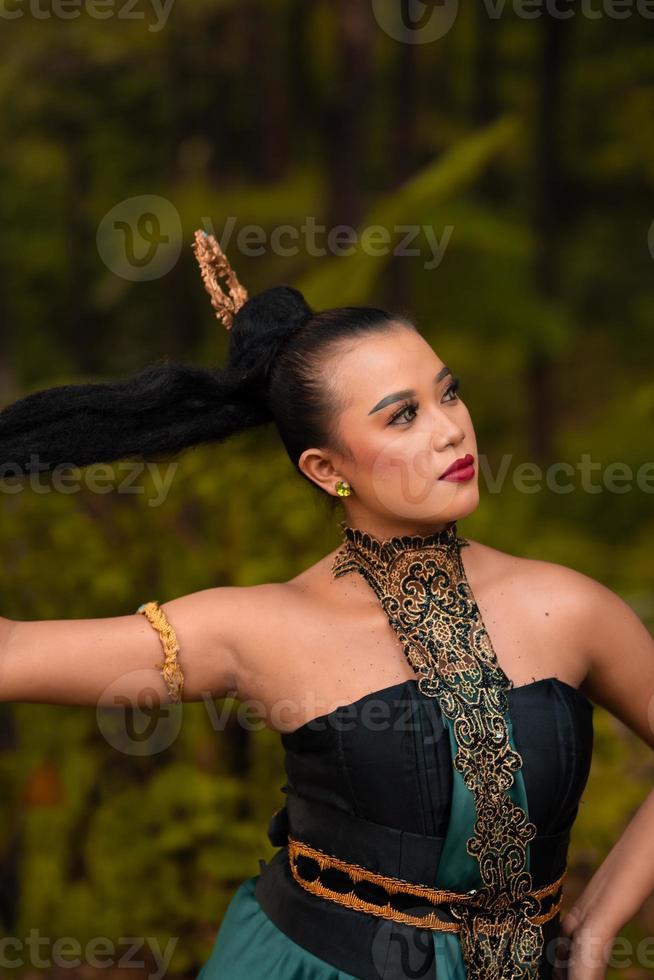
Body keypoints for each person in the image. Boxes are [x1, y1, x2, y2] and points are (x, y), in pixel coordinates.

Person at [0, 233, 653, 980]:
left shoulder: (571, 606)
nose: (450, 428)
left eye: (448, 391)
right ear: (325, 468)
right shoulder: (259, 628)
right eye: (401, 416)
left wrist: (598, 924)